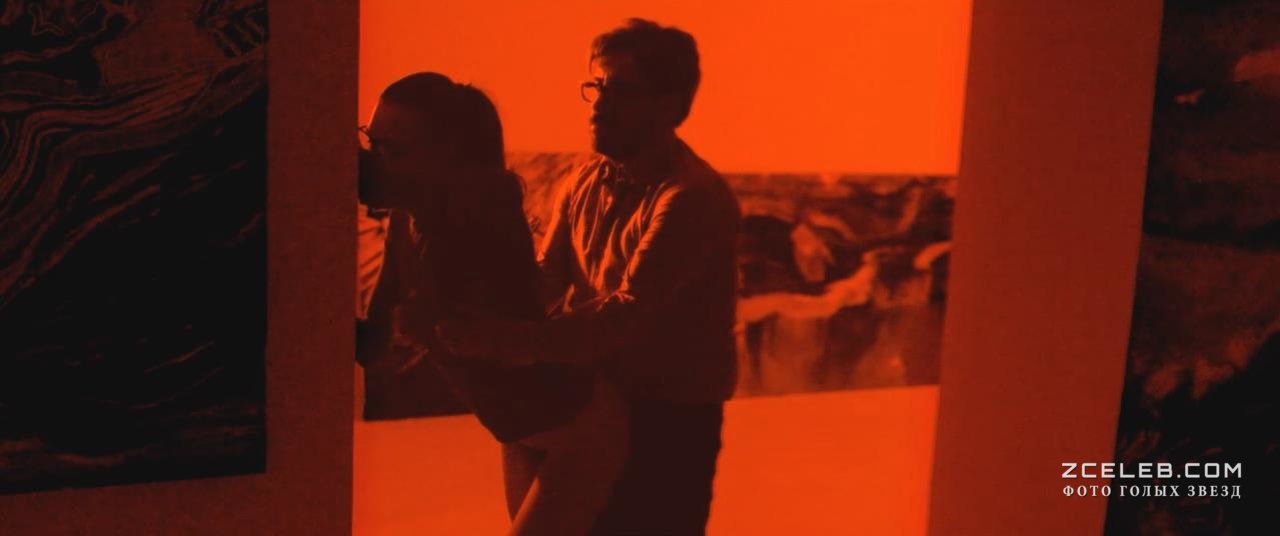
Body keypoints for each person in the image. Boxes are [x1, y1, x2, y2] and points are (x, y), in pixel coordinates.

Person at [438, 19, 742, 535]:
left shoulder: (693, 197)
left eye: (622, 90)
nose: (599, 104)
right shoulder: (583, 179)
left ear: (669, 105)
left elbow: (623, 316)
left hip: (665, 422)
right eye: (596, 86)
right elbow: (542, 283)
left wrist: (497, 341)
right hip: (588, 400)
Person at [356, 72, 628, 536]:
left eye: (394, 152)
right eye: (371, 143)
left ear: (447, 156)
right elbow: (374, 343)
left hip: (577, 426)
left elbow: (473, 333)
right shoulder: (406, 223)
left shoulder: (481, 225)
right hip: (519, 428)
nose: (376, 162)